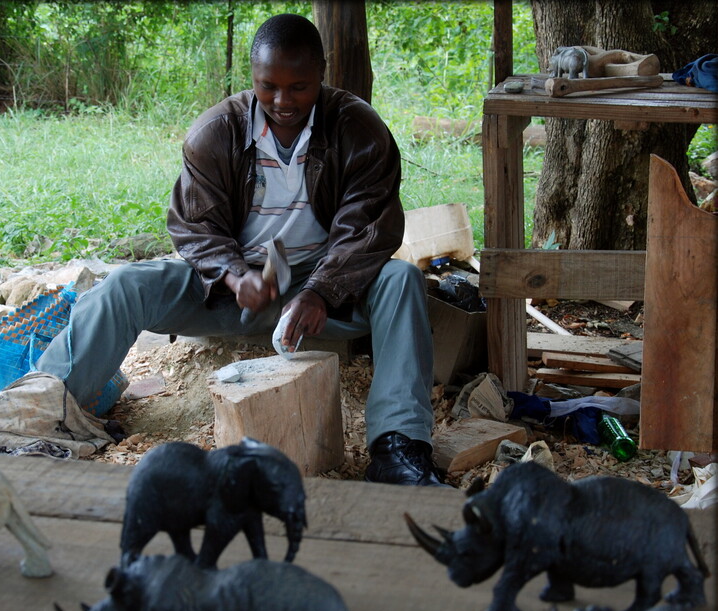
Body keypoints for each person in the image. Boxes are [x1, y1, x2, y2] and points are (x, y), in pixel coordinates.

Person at [36, 13, 448, 487]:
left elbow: (368, 228)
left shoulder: (359, 130)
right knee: (125, 285)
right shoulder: (216, 132)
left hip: (328, 288)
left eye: (300, 86)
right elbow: (196, 227)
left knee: (401, 280)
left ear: (322, 73)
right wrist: (234, 275)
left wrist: (320, 291)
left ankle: (398, 448)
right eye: (268, 86)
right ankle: (40, 412)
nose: (282, 101)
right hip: (232, 287)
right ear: (251, 77)